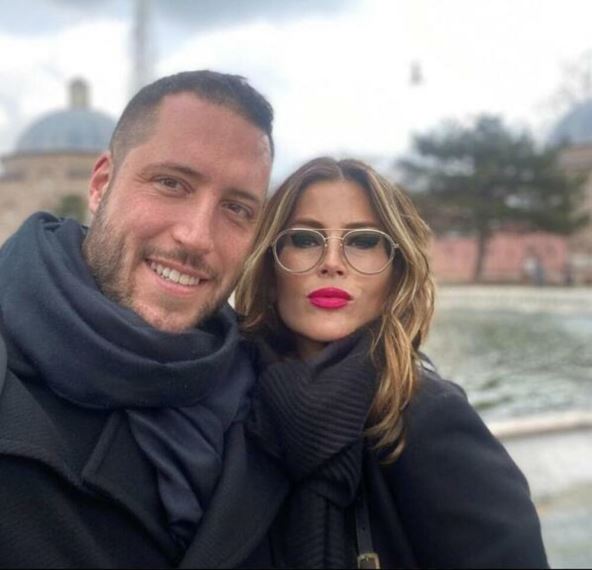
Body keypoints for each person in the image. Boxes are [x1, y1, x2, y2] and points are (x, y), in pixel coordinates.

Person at [0, 70, 285, 567]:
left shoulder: (281, 394)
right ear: (100, 184)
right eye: (171, 184)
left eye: (237, 208)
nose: (197, 237)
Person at [235, 157, 549, 568]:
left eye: (363, 241)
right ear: (270, 264)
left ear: (396, 273)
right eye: (306, 239)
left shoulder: (431, 419)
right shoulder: (230, 402)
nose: (332, 261)